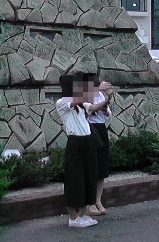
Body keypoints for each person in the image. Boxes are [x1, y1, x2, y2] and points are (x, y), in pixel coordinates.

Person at [55, 74, 100, 228]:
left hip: (87, 141)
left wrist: (106, 100)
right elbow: (78, 99)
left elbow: (92, 107)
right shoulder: (62, 102)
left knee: (88, 176)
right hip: (75, 143)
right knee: (75, 179)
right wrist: (96, 89)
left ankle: (82, 215)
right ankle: (73, 218)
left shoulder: (81, 105)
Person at [87, 81, 114, 216]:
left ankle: (98, 200)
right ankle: (89, 202)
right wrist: (98, 90)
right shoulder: (85, 93)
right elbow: (86, 108)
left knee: (102, 166)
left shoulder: (101, 95)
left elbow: (108, 114)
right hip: (90, 128)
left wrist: (107, 100)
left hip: (101, 128)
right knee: (92, 166)